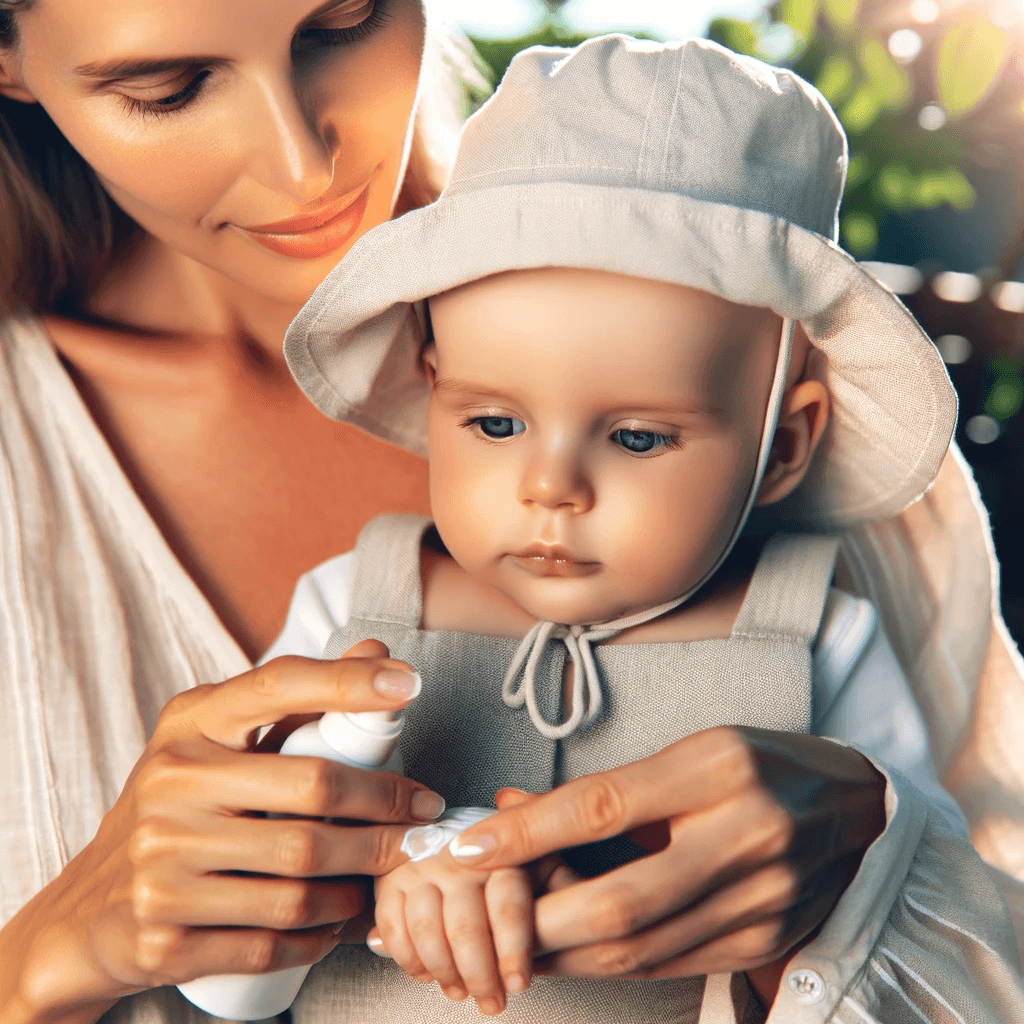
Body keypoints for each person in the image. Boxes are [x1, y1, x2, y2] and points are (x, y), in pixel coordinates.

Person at [0, 0, 1017, 1020]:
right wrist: (45, 956)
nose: (302, 166)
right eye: (164, 89)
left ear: (784, 444)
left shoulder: (849, 498)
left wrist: (870, 884)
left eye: (344, 20)